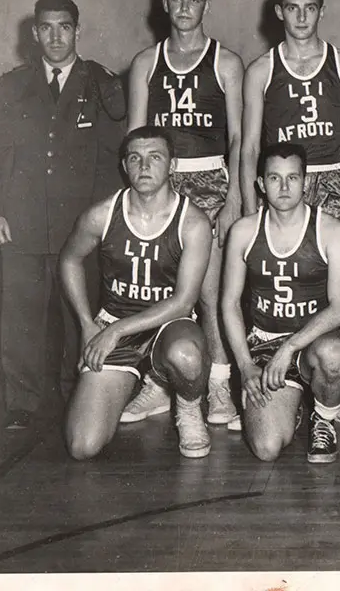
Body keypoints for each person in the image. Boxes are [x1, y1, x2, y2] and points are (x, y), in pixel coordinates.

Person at [0, 0, 126, 430]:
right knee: (20, 317)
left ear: (77, 30)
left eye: (64, 27)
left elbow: (110, 161)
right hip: (22, 223)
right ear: (34, 33)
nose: (56, 36)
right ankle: (21, 403)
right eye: (46, 27)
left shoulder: (100, 84)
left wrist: (101, 224)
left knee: (77, 315)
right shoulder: (13, 85)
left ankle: (76, 394)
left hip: (78, 227)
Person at [241, 0, 340, 431]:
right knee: (275, 284)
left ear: (321, 10)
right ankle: (275, 379)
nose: (301, 16)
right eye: (292, 7)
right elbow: (249, 146)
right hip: (280, 185)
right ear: (279, 11)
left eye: (310, 7)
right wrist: (249, 206)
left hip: (332, 181)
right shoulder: (261, 69)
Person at [123, 0, 245, 427]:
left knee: (208, 294)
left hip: (210, 180)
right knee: (161, 290)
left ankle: (218, 383)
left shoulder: (226, 62)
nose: (185, 8)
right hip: (159, 182)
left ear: (206, 5)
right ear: (165, 4)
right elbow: (136, 136)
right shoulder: (145, 62)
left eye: (194, 0)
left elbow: (239, 137)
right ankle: (158, 383)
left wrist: (234, 197)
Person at [60, 127, 214, 459]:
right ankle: (152, 384)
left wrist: (115, 331)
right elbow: (70, 259)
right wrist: (87, 324)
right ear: (124, 166)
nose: (144, 166)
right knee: (82, 446)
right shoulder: (102, 215)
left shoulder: (193, 223)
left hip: (168, 324)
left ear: (172, 165)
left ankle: (188, 407)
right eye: (135, 158)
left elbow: (184, 302)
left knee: (186, 355)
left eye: (155, 157)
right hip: (114, 321)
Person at [220, 143, 340, 463]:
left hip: (315, 341)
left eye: (292, 178)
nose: (283, 187)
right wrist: (245, 365)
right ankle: (290, 408)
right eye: (274, 178)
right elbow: (229, 303)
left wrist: (290, 347)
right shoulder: (244, 231)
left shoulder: (330, 230)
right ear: (260, 184)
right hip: (265, 343)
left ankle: (324, 417)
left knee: (333, 354)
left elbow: (339, 308)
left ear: (305, 182)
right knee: (266, 449)